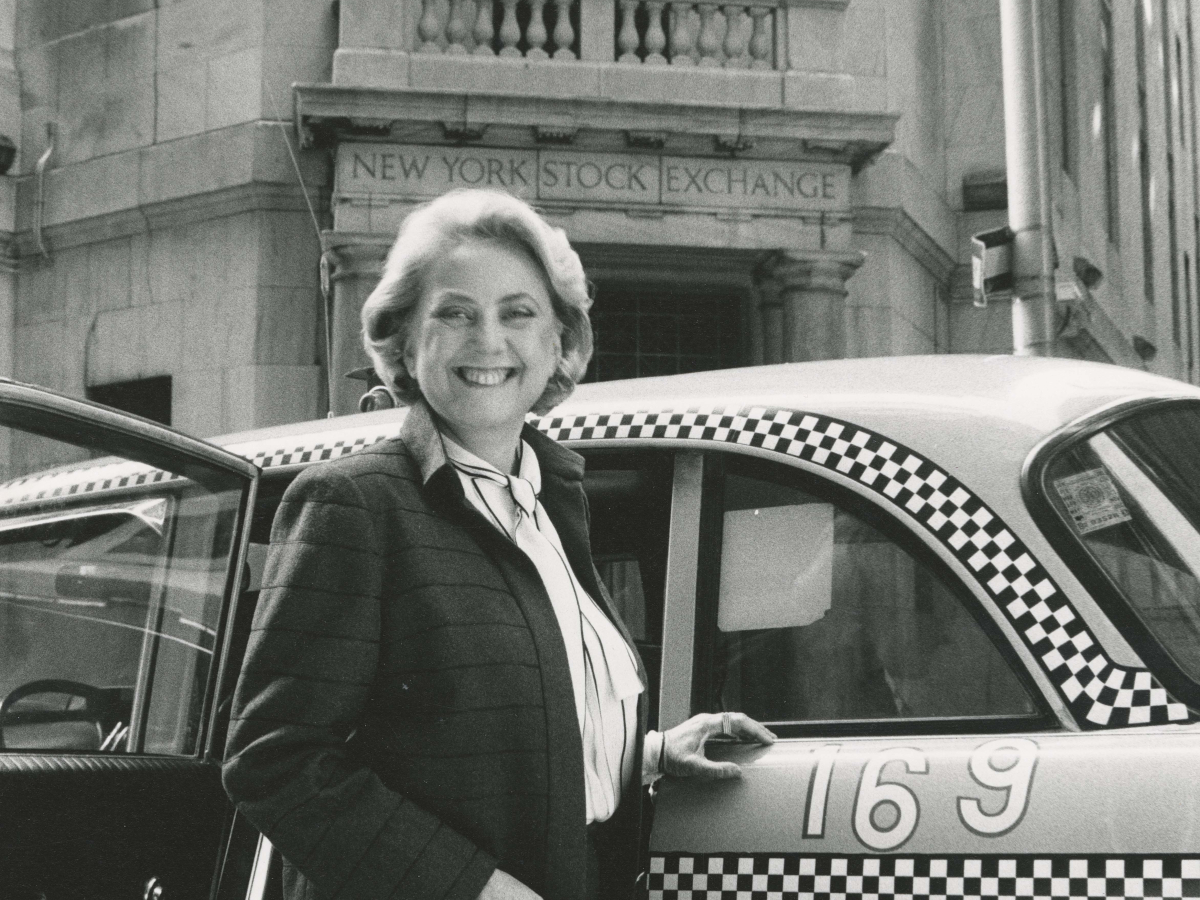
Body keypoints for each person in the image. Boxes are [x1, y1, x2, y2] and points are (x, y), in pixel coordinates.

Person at [222, 188, 775, 900]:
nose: (488, 341)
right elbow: (273, 760)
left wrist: (650, 755)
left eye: (518, 313)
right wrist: (477, 889)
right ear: (405, 341)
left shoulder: (550, 504)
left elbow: (488, 736)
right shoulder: (354, 504)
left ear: (558, 343)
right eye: (454, 312)